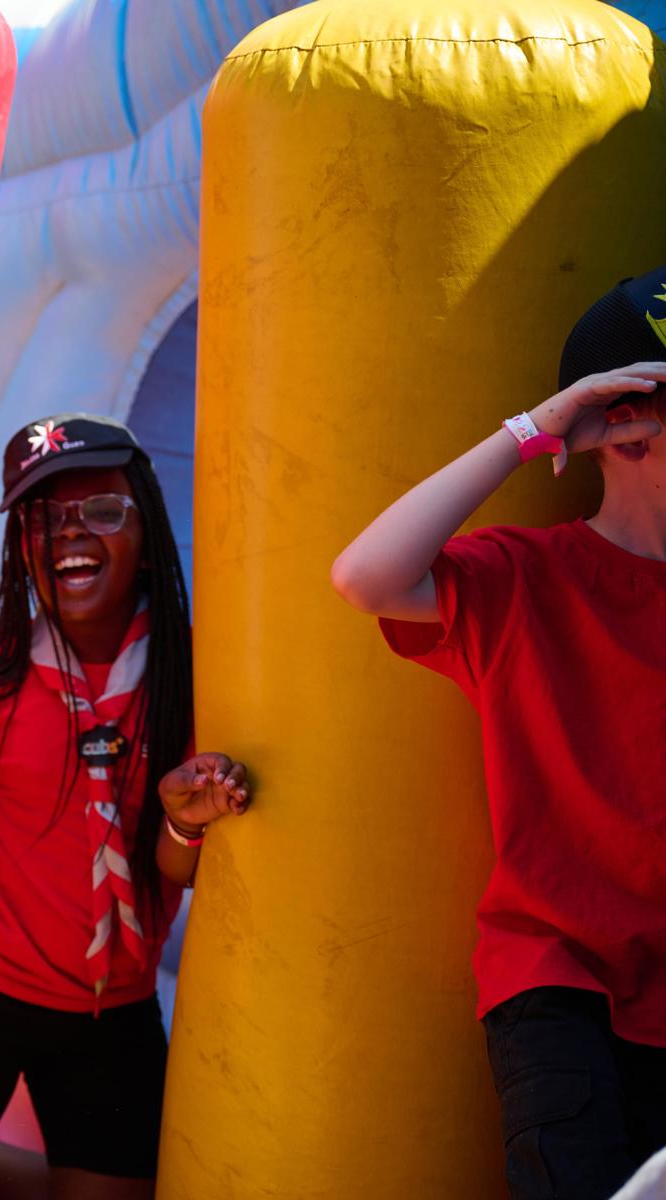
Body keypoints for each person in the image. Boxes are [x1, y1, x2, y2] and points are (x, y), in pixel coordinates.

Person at [0, 415, 252, 1200]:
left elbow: (175, 871)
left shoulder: (196, 676)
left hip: (110, 1013)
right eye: (42, 517)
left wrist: (184, 820)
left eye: (101, 510)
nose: (70, 532)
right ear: (21, 547)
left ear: (146, 524)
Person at [331, 270, 666, 1200]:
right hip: (560, 990)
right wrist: (533, 430)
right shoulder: (526, 578)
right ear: (626, 426)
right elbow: (367, 576)